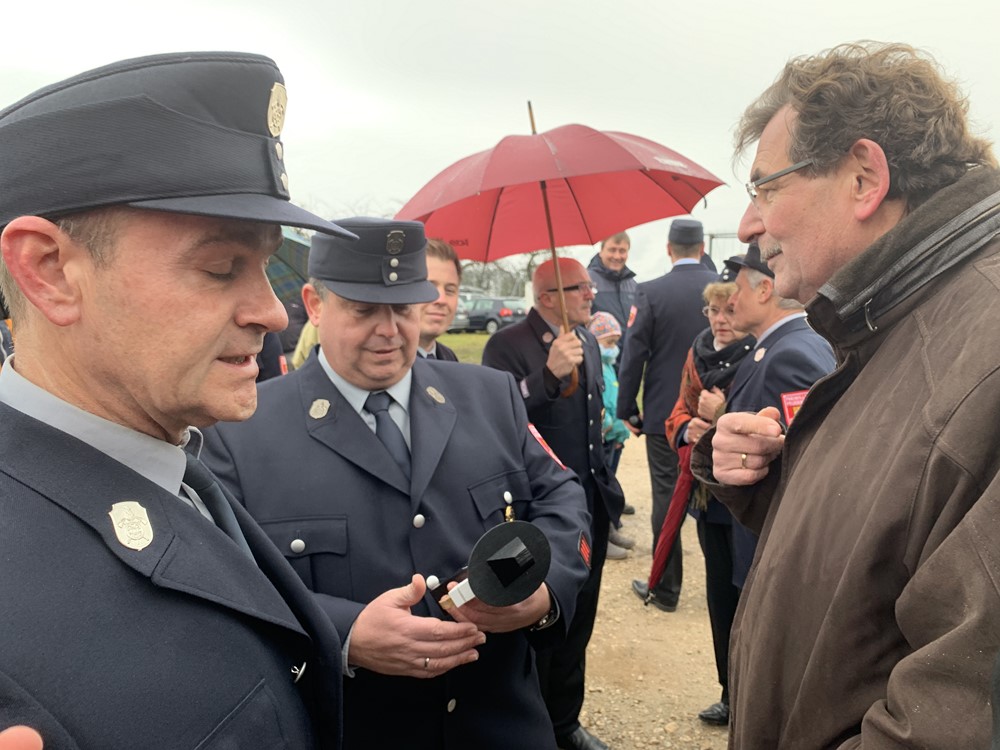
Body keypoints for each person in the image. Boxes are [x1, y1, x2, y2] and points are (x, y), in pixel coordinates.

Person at [0, 52, 355, 749]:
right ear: (50, 272)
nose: (272, 311)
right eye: (221, 267)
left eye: (265, 264)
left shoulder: (170, 452)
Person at [692, 42, 1000, 748]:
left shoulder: (979, 341)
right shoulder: (898, 315)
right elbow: (896, 545)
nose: (751, 226)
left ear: (864, 179)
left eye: (767, 189)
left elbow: (955, 715)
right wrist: (769, 479)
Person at [202, 217, 592, 750]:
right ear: (315, 305)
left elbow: (562, 496)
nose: (389, 330)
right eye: (364, 310)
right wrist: (343, 634)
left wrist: (544, 592)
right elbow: (223, 581)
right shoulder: (239, 432)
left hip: (500, 723)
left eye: (404, 309)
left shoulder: (489, 396)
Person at [482, 258, 625, 750]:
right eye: (579, 287)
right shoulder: (507, 345)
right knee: (539, 623)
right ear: (547, 297)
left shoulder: (586, 339)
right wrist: (547, 375)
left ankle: (565, 722)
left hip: (589, 503)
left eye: (589, 286)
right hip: (537, 513)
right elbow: (495, 422)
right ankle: (534, 726)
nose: (591, 294)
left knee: (579, 616)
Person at [661, 274, 754, 726]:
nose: (720, 320)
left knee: (750, 596)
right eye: (714, 311)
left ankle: (754, 695)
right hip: (709, 497)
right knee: (720, 596)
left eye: (729, 311)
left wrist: (721, 416)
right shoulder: (698, 352)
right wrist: (687, 429)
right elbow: (678, 410)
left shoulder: (760, 355)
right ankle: (729, 693)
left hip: (750, 499)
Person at [717, 248, 835, 588]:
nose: (731, 301)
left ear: (764, 290)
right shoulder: (785, 345)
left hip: (773, 552)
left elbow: (809, 462)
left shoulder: (790, 354)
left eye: (737, 290)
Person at [617, 218, 718, 612]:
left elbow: (634, 354)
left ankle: (666, 587)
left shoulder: (651, 291)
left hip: (665, 413)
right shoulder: (722, 288)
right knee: (721, 497)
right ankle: (726, 586)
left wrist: (628, 408)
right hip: (716, 410)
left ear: (668, 249)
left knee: (667, 496)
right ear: (702, 248)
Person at [587, 311, 636, 559]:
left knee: (611, 484)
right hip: (604, 438)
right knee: (602, 489)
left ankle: (610, 527)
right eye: (609, 342)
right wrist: (606, 427)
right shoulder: (594, 367)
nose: (613, 347)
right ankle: (602, 537)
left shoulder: (609, 366)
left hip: (614, 437)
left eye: (616, 342)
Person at [418, 238, 461, 361]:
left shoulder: (449, 358)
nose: (441, 300)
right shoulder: (384, 365)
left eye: (450, 290)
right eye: (428, 287)